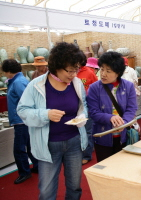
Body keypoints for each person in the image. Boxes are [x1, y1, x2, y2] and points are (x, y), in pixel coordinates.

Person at [17, 42, 88, 199]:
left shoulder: (76, 84)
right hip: (48, 145)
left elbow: (84, 106)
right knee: (47, 190)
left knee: (75, 186)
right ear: (57, 66)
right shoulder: (36, 85)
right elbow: (22, 111)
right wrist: (45, 114)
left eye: (77, 69)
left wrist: (82, 117)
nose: (74, 74)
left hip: (74, 142)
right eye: (70, 70)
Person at [86, 52, 137, 162]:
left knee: (123, 166)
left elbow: (131, 108)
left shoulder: (128, 86)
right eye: (102, 69)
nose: (103, 74)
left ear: (118, 73)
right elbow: (93, 112)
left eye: (108, 71)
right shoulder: (94, 88)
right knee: (105, 167)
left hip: (123, 136)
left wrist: (124, 122)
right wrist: (110, 117)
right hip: (102, 136)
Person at [2, 59, 38, 184]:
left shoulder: (18, 82)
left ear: (8, 71)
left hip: (22, 121)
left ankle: (24, 172)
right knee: (29, 146)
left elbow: (28, 101)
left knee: (19, 149)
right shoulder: (18, 80)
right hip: (22, 120)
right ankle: (37, 166)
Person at [77, 51, 98, 165]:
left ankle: (87, 155)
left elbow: (97, 89)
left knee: (87, 132)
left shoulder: (89, 73)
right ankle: (81, 151)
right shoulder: (72, 73)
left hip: (88, 106)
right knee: (78, 132)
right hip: (75, 107)